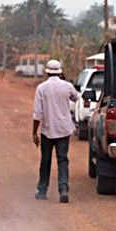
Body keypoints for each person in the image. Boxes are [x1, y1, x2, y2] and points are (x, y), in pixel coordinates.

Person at [32, 59, 79, 203]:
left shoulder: (41, 88)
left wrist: (34, 132)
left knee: (45, 160)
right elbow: (76, 97)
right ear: (60, 72)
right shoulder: (67, 86)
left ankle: (42, 190)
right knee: (62, 159)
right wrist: (64, 81)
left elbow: (37, 113)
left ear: (46, 72)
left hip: (47, 130)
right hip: (64, 129)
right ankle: (63, 188)